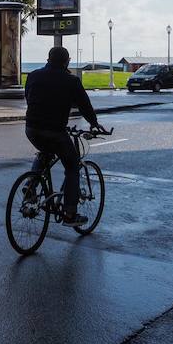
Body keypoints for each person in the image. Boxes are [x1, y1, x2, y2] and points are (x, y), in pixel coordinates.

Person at [24, 46, 107, 227]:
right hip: (55, 131)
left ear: (48, 59)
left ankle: (30, 185)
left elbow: (28, 97)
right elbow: (85, 105)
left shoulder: (33, 75)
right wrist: (94, 123)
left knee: (44, 151)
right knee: (72, 166)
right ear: (67, 61)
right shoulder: (71, 81)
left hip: (31, 128)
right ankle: (70, 213)